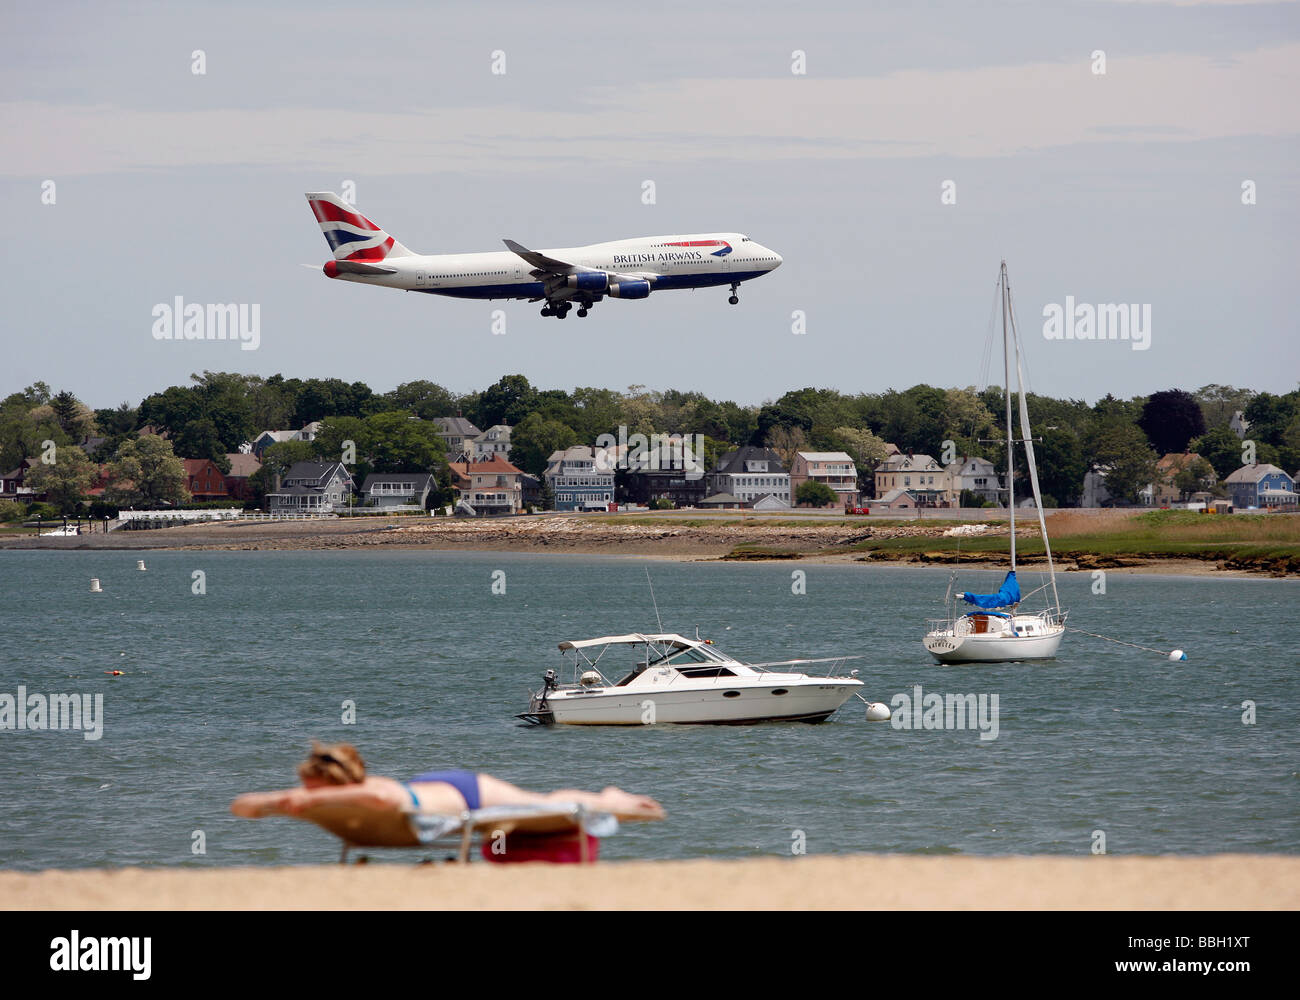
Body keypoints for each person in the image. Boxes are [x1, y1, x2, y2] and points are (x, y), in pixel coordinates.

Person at [230, 741, 665, 820]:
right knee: (541, 800)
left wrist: (283, 803)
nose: (306, 793)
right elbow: (244, 805)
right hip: (436, 788)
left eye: (311, 786)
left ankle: (611, 798)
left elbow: (380, 802)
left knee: (545, 803)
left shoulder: (372, 791)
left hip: (468, 794)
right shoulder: (358, 793)